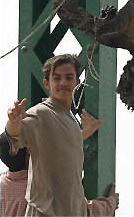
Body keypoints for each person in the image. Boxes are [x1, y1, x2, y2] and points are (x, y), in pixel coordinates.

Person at [5, 53, 119, 216]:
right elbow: (15, 136)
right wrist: (13, 121)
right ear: (47, 83)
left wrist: (85, 132)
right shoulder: (41, 113)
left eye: (68, 77)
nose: (63, 83)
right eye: (57, 78)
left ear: (77, 82)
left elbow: (61, 146)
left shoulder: (70, 120)